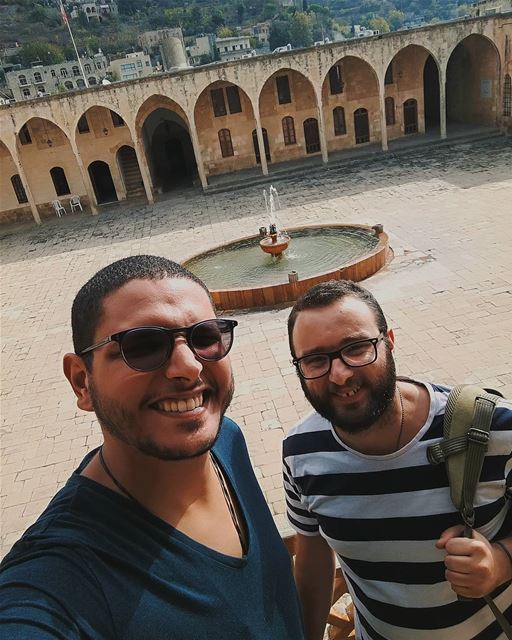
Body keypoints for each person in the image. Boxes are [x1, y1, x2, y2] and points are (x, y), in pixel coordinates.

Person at [0, 255, 304, 640]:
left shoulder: (226, 440)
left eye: (206, 336)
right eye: (142, 345)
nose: (188, 366)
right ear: (82, 381)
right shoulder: (65, 577)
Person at [283, 280, 512, 640]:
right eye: (315, 359)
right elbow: (312, 565)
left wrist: (501, 562)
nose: (340, 374)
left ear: (389, 341)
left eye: (356, 348)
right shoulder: (300, 453)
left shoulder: (493, 428)